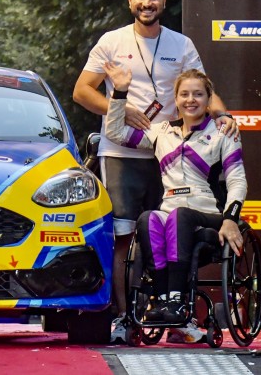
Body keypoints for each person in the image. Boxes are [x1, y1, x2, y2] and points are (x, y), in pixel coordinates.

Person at [72, 0, 236, 342]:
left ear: (164, 1)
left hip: (170, 153)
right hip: (122, 153)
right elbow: (82, 91)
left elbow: (204, 90)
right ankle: (124, 319)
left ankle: (175, 317)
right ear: (130, 1)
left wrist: (223, 115)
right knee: (124, 238)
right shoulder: (112, 41)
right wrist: (120, 108)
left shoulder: (181, 43)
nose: (147, 3)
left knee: (173, 234)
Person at [102, 69, 246, 342]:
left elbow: (237, 180)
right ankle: (161, 299)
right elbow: (115, 131)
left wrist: (230, 218)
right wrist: (119, 92)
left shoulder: (223, 132)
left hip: (208, 215)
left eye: (198, 94)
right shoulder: (162, 131)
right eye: (185, 94)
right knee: (148, 218)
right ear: (176, 99)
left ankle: (177, 300)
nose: (191, 100)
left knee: (180, 216)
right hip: (172, 214)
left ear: (208, 99)